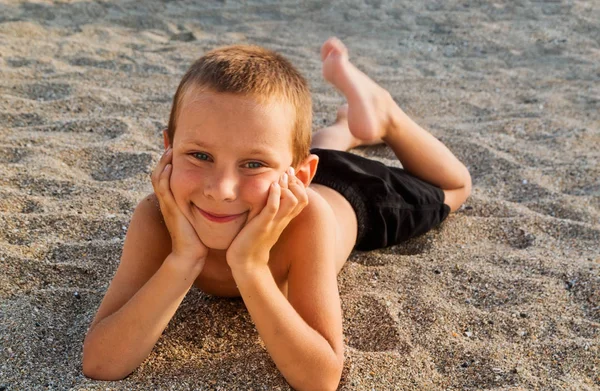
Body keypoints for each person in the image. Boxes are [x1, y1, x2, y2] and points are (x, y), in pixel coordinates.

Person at [82, 37, 471, 390]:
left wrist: (250, 267)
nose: (220, 189)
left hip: (356, 196)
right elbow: (101, 362)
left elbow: (320, 378)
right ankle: (346, 125)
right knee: (315, 146)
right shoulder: (156, 218)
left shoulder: (308, 222)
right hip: (294, 164)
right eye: (200, 155)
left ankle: (387, 116)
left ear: (299, 176)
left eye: (252, 163)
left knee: (455, 187)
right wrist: (183, 258)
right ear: (168, 150)